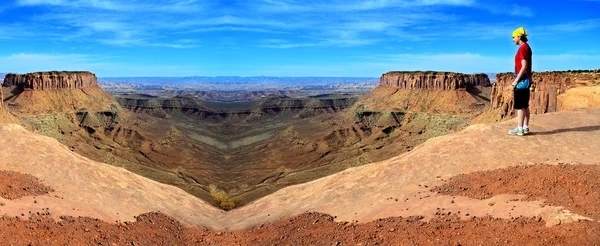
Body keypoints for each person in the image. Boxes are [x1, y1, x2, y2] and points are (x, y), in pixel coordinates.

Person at [508, 27, 532, 136]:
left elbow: (524, 66)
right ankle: (525, 127)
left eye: (514, 37)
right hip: (526, 78)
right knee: (525, 105)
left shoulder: (522, 48)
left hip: (522, 79)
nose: (513, 39)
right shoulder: (527, 47)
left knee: (520, 106)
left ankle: (519, 129)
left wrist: (516, 80)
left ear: (519, 37)